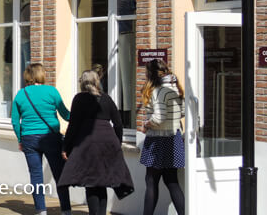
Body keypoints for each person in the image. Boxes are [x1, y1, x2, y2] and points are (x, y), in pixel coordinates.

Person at [59, 69, 133, 215]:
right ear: (96, 82)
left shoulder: (79, 99)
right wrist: (116, 143)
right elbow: (118, 123)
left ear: (83, 83)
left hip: (88, 143)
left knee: (91, 182)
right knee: (102, 182)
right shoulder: (106, 98)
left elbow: (73, 125)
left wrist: (65, 147)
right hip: (108, 141)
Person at [11, 63, 72, 215]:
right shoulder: (51, 91)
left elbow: (14, 121)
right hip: (51, 137)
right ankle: (66, 210)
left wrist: (20, 139)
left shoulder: (21, 94)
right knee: (59, 174)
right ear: (41, 74)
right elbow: (65, 114)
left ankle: (41, 210)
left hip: (29, 139)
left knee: (36, 175)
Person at [140, 59, 185, 215]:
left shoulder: (159, 91)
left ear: (152, 74)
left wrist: (146, 124)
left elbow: (158, 118)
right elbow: (183, 111)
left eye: (146, 72)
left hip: (158, 140)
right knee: (172, 181)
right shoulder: (175, 87)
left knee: (151, 181)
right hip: (173, 137)